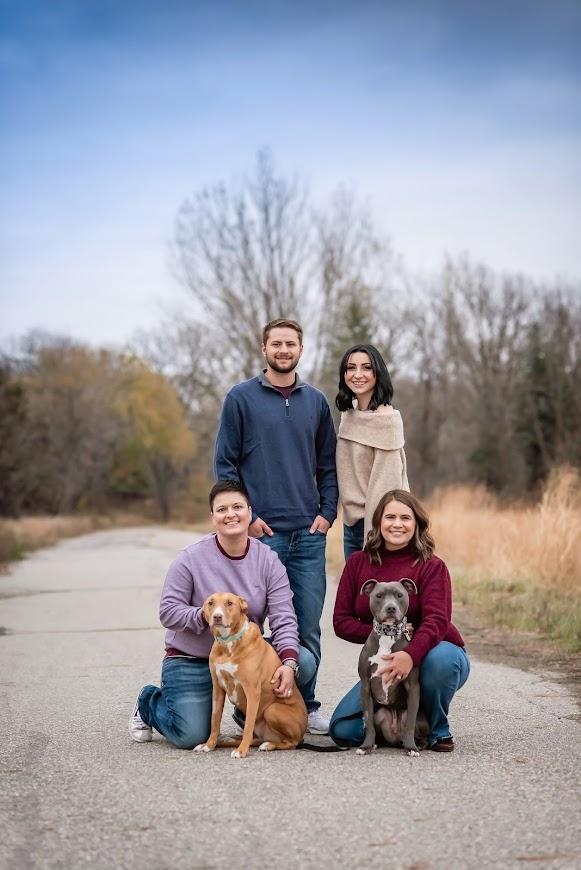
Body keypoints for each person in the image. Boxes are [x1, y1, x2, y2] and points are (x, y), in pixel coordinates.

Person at [214, 318, 338, 734]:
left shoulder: (316, 402)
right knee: (254, 624)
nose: (283, 350)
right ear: (263, 348)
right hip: (261, 536)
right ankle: (246, 704)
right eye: (276, 344)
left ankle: (307, 703)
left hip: (308, 535)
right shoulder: (241, 399)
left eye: (291, 344)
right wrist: (247, 519)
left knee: (306, 628)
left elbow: (328, 466)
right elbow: (225, 466)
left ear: (301, 350)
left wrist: (327, 513)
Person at [129, 480, 316, 749]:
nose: (231, 514)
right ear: (213, 517)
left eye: (238, 507)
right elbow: (168, 612)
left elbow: (284, 616)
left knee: (303, 660)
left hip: (244, 654)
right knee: (190, 735)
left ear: (250, 512)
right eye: (222, 509)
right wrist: (208, 616)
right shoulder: (190, 558)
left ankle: (247, 711)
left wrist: (288, 662)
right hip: (191, 658)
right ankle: (148, 702)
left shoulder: (267, 560)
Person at [330, 489, 469, 752]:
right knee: (342, 730)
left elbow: (438, 621)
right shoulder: (359, 563)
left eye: (405, 518)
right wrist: (385, 636)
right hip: (385, 654)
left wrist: (410, 653)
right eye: (389, 517)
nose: (397, 524)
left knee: (441, 662)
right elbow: (341, 621)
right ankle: (398, 728)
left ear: (416, 523)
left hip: (431, 652)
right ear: (378, 522)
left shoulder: (431, 565)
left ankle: (437, 729)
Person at [335, 344, 409, 560]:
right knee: (357, 592)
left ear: (378, 373)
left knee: (374, 591)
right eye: (351, 368)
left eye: (366, 368)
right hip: (351, 524)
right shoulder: (349, 416)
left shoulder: (386, 422)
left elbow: (386, 487)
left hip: (376, 527)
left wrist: (373, 539)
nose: (358, 375)